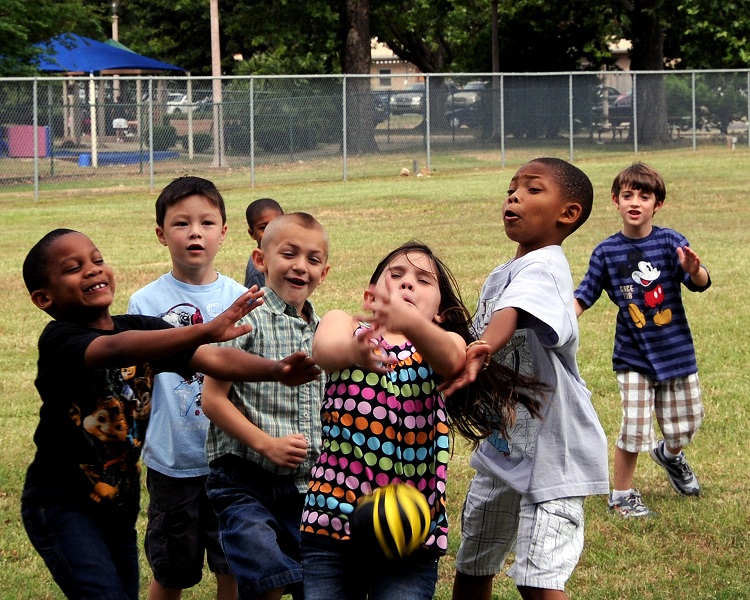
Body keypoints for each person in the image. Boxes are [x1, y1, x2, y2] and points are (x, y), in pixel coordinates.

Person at [19, 228, 320, 600]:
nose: (93, 270)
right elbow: (115, 350)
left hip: (117, 505)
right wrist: (205, 329)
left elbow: (214, 358)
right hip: (61, 504)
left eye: (97, 260)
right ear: (43, 297)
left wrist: (274, 370)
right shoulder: (60, 340)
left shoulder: (140, 328)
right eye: (73, 268)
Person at [300, 240, 543, 600]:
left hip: (410, 530)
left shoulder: (442, 342)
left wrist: (412, 323)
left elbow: (452, 359)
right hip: (332, 519)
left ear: (441, 312)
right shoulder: (344, 324)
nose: (407, 283)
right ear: (371, 296)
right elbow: (325, 351)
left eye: (422, 280)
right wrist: (356, 351)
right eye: (395, 275)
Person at [443, 157, 610, 600]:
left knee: (538, 582)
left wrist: (485, 346)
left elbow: (510, 314)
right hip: (505, 448)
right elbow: (489, 318)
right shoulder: (505, 271)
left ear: (567, 214)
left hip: (554, 455)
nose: (514, 195)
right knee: (474, 560)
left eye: (532, 189)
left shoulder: (548, 267)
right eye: (511, 188)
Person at [127, 176, 246, 600]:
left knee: (232, 565)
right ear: (161, 234)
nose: (195, 232)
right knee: (171, 569)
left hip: (232, 461)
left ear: (223, 232)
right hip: (173, 462)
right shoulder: (144, 303)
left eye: (206, 222)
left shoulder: (242, 297)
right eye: (181, 224)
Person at [201, 212, 330, 600]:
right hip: (244, 481)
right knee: (266, 577)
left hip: (306, 488)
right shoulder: (246, 320)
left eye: (312, 259)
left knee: (319, 583)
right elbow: (212, 398)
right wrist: (265, 444)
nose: (300, 266)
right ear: (261, 260)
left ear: (324, 272)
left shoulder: (324, 333)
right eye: (288, 253)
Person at [574, 162, 711, 519]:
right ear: (616, 201)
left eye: (644, 196)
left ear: (657, 204)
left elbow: (699, 281)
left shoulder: (670, 242)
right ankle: (621, 495)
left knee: (688, 422)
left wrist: (695, 269)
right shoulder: (606, 252)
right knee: (635, 426)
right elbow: (585, 293)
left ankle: (670, 454)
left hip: (675, 351)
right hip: (632, 355)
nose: (635, 202)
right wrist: (562, 319)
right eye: (628, 195)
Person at [244, 198, 284, 289]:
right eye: (263, 228)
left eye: (276, 224)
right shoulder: (257, 271)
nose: (272, 231)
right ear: (252, 234)